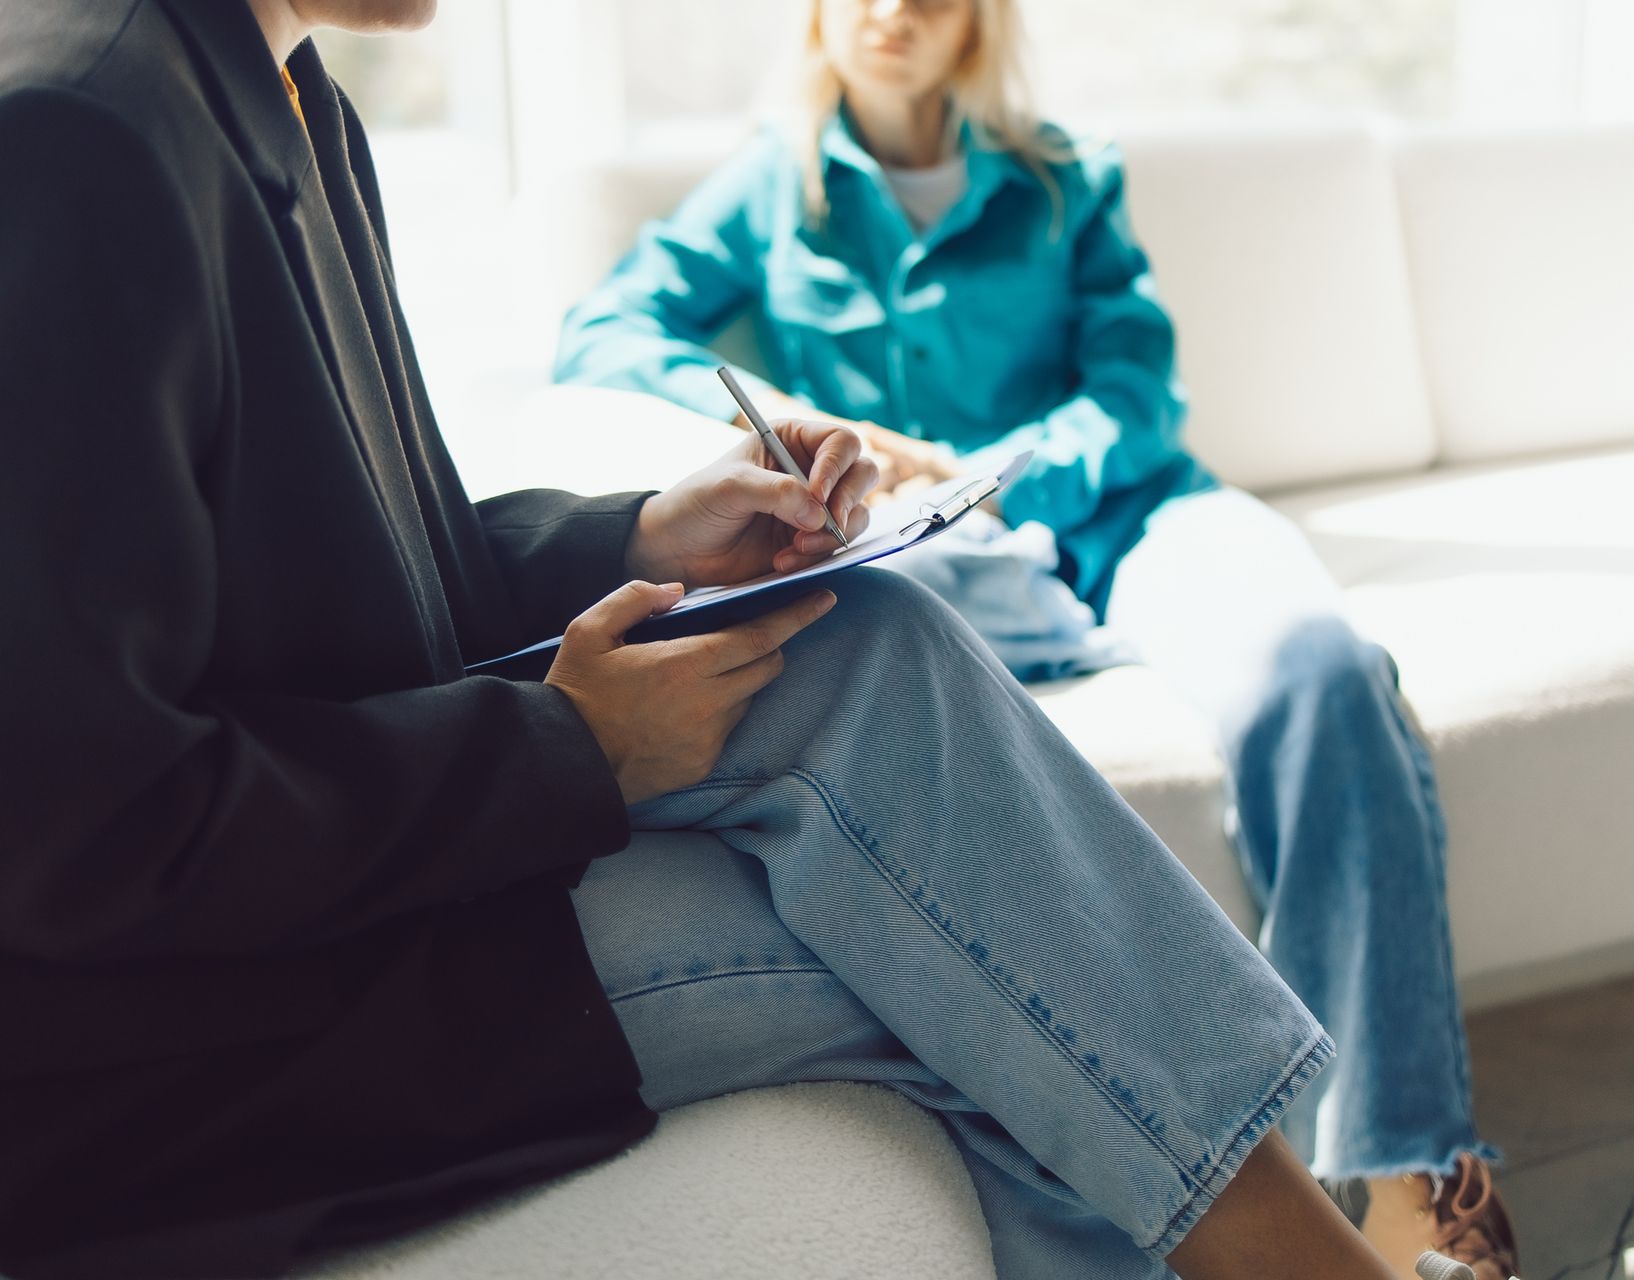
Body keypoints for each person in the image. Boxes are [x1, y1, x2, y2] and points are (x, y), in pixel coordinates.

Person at [0, 1, 1420, 1278]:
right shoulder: (77, 133)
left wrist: (637, 541)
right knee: (978, 976)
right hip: (192, 1038)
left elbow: (362, 582)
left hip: (354, 901)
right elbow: (74, 832)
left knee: (866, 639)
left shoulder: (289, 94)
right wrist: (569, 750)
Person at [553, 1, 1521, 1276]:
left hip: (1128, 517)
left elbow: (1136, 390)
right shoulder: (766, 192)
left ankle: (1407, 1183)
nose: (894, 10)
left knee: (1326, 676)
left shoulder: (1065, 179)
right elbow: (603, 334)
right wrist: (789, 419)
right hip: (945, 572)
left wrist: (1003, 474)